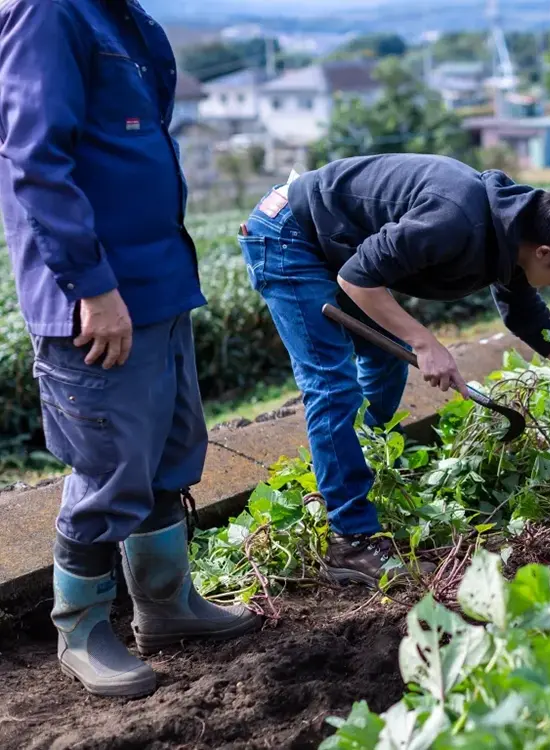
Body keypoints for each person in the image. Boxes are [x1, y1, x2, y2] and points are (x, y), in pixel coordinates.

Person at [0, 0, 260, 699]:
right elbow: (34, 159)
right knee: (110, 466)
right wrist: (91, 284)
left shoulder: (129, 21)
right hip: (98, 297)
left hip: (159, 285)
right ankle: (81, 632)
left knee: (168, 452)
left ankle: (167, 607)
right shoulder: (50, 12)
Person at [236, 154, 550, 587]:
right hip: (290, 233)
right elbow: (358, 279)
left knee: (384, 364)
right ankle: (351, 539)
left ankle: (353, 475)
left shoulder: (516, 233)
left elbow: (532, 323)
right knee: (332, 386)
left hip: (336, 245)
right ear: (546, 252)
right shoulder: (456, 217)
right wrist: (426, 342)